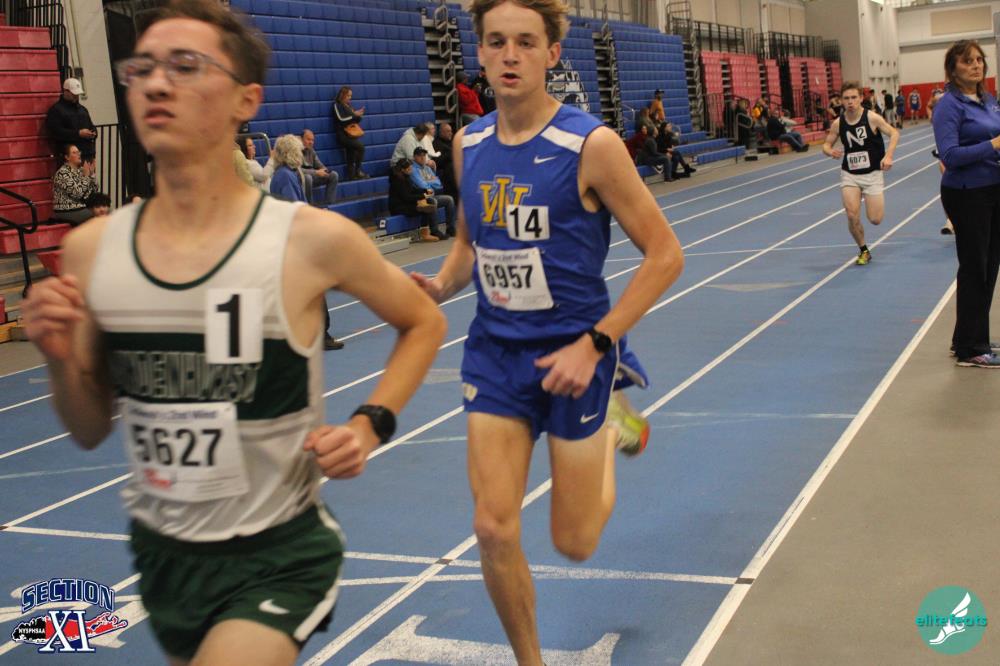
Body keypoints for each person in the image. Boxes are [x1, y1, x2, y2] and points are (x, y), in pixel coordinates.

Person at [20, 4, 446, 665]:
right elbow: (88, 427)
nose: (157, 83)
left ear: (246, 100)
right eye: (142, 68)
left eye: (186, 66)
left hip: (279, 553)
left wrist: (370, 424)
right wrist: (58, 360)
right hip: (165, 556)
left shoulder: (308, 239)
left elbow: (424, 319)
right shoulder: (92, 251)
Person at [409, 1, 684, 663]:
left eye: (526, 42)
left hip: (577, 357)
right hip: (496, 356)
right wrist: (441, 285)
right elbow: (469, 242)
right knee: (491, 526)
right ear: (479, 52)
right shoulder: (467, 144)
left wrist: (596, 345)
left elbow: (665, 255)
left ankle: (613, 424)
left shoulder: (591, 146)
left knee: (575, 542)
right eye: (496, 42)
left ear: (552, 54)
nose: (510, 55)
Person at [933, 40, 1000, 367]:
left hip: (993, 189)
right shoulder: (949, 106)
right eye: (967, 61)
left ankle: (969, 337)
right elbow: (950, 155)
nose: (976, 65)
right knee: (975, 268)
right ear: (953, 68)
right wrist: (993, 145)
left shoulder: (988, 100)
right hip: (966, 193)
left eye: (979, 60)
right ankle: (971, 349)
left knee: (989, 266)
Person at [270, 134, 345, 350]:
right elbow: (295, 210)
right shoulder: (285, 177)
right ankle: (320, 334)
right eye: (298, 151)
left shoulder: (286, 174)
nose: (302, 154)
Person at [822, 81, 899, 266]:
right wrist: (829, 151)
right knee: (851, 214)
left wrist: (888, 156)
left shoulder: (872, 117)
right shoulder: (838, 123)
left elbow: (894, 133)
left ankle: (870, 205)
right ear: (841, 100)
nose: (850, 102)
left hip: (872, 174)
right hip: (850, 174)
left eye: (854, 97)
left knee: (875, 219)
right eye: (846, 98)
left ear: (861, 98)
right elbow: (826, 144)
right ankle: (864, 250)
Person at [388, 157, 442, 242]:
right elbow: (407, 197)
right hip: (399, 207)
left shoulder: (405, 177)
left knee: (426, 206)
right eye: (409, 169)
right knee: (426, 209)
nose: (411, 170)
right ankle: (425, 234)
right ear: (403, 170)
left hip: (405, 203)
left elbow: (412, 190)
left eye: (411, 168)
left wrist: (425, 191)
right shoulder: (398, 181)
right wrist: (423, 196)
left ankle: (430, 230)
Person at [46, 78, 98, 162]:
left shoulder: (83, 109)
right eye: (73, 94)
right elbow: (56, 132)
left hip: (87, 154)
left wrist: (93, 133)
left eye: (77, 94)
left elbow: (91, 125)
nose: (76, 96)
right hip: (69, 156)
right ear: (65, 91)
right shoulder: (56, 110)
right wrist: (78, 133)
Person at [411, 146, 456, 236]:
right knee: (433, 201)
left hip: (431, 195)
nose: (422, 157)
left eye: (424, 155)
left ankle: (450, 228)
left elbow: (438, 184)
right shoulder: (413, 169)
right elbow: (422, 186)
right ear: (414, 157)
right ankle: (434, 231)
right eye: (420, 155)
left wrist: (427, 182)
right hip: (421, 198)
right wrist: (430, 181)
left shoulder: (427, 168)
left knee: (449, 199)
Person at [52, 144, 99, 225]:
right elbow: (78, 194)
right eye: (74, 153)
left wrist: (91, 175)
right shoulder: (62, 173)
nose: (79, 154)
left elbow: (94, 190)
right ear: (67, 157)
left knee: (104, 212)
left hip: (80, 207)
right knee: (96, 217)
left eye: (78, 152)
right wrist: (86, 177)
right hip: (66, 210)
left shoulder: (80, 171)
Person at [331, 86, 368, 180]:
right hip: (342, 135)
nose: (349, 98)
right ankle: (358, 171)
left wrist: (359, 115)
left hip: (350, 135)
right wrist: (354, 115)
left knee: (351, 153)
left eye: (350, 96)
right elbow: (341, 119)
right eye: (348, 95)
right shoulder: (337, 105)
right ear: (342, 95)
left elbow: (354, 121)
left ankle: (352, 175)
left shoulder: (348, 106)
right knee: (361, 147)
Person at [301, 129, 339, 207]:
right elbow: (298, 170)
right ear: (301, 139)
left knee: (333, 175)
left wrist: (325, 170)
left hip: (313, 176)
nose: (311, 142)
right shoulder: (295, 151)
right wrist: (316, 172)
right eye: (308, 139)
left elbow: (319, 164)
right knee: (307, 178)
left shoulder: (311, 151)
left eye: (312, 140)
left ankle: (329, 205)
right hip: (300, 178)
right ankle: (310, 206)